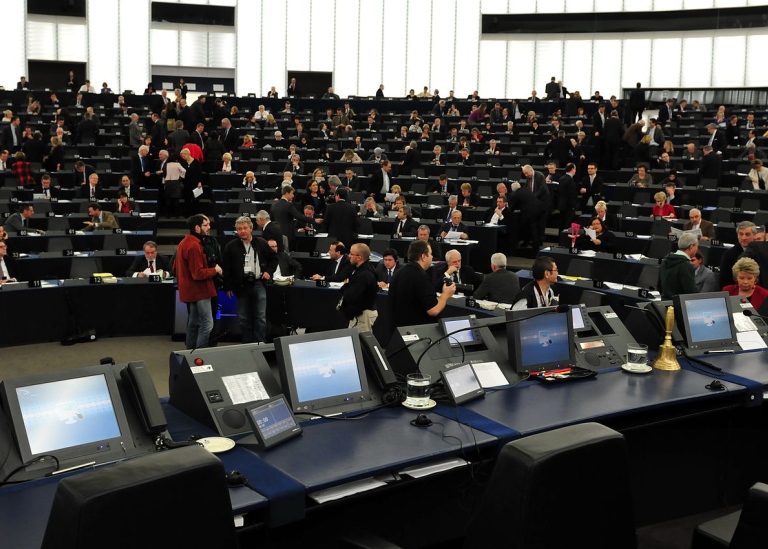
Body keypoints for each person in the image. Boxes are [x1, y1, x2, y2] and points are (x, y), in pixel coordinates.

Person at [222, 216, 277, 344]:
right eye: (239, 229)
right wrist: (228, 286)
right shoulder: (231, 246)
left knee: (260, 318)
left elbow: (274, 259)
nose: (242, 231)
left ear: (251, 229)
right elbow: (227, 267)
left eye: (245, 228)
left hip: (258, 283)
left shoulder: (261, 242)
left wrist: (268, 271)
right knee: (244, 318)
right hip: (241, 286)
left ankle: (259, 345)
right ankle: (246, 345)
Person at [175, 215, 222, 350]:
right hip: (200, 291)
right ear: (197, 228)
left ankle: (190, 354)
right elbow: (198, 273)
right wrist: (215, 270)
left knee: (193, 323)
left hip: (191, 291)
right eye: (206, 225)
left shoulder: (184, 243)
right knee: (207, 324)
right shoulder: (194, 246)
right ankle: (199, 355)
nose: (209, 228)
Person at [389, 240, 456, 327]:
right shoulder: (420, 276)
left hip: (398, 330)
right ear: (424, 256)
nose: (432, 257)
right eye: (431, 254)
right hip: (417, 332)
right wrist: (445, 294)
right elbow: (433, 310)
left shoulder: (398, 272)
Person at [338, 243, 379, 333]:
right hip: (360, 314)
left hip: (363, 315)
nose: (349, 256)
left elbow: (352, 296)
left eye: (351, 254)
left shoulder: (365, 275)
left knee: (360, 343)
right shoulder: (359, 270)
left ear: (359, 257)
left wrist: (345, 288)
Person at [270, 185, 317, 250]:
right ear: (287, 193)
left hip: (276, 233)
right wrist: (313, 220)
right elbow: (298, 216)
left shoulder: (274, 205)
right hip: (287, 234)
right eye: (292, 193)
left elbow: (272, 220)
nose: (293, 196)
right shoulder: (288, 205)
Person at [658, 232, 698, 299]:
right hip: (679, 306)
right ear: (691, 247)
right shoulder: (686, 266)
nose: (697, 249)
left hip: (665, 303)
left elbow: (659, 286)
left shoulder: (665, 260)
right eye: (697, 246)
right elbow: (691, 292)